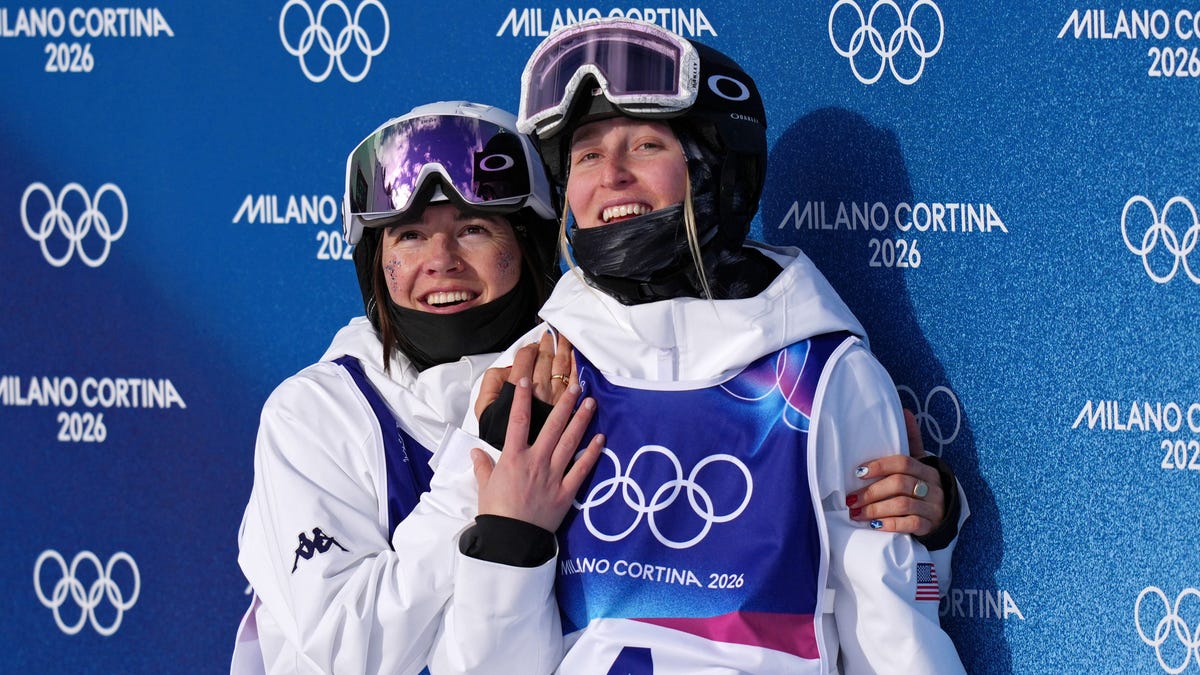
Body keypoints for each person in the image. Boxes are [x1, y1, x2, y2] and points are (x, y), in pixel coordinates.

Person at [445, 17, 968, 673]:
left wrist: (928, 536)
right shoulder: (535, 375)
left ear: (719, 169)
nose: (610, 176)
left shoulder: (819, 376)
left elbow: (895, 638)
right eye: (584, 154)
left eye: (644, 146)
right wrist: (508, 538)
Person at [230, 101, 604, 674]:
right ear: (375, 264)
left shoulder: (588, 385)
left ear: (529, 249)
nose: (440, 262)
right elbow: (353, 651)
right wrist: (485, 460)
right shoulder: (314, 414)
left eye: (473, 229)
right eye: (408, 236)